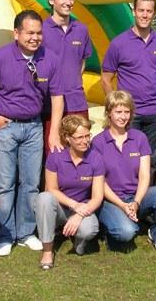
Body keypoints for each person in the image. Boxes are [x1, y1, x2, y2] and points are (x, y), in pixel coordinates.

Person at [0, 10, 64, 256]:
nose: (35, 38)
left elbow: (57, 97)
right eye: (29, 33)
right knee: (5, 183)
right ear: (16, 33)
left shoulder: (50, 58)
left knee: (31, 183)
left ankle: (25, 232)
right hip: (5, 127)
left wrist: (54, 132)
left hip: (34, 127)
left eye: (39, 33)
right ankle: (5, 234)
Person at [91, 91, 156, 253]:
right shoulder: (98, 142)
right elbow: (100, 183)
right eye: (118, 112)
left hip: (136, 196)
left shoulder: (139, 138)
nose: (123, 116)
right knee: (127, 232)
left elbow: (144, 175)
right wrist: (122, 205)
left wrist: (136, 202)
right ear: (108, 113)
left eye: (127, 112)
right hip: (110, 200)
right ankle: (109, 229)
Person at [101, 0, 156, 182]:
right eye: (141, 10)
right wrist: (115, 107)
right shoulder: (119, 43)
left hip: (155, 112)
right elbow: (106, 79)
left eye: (149, 11)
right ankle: (126, 196)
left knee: (152, 160)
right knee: (128, 159)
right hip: (130, 114)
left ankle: (147, 197)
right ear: (134, 11)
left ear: (154, 14)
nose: (145, 15)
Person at [34, 115, 104, 269]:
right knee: (44, 198)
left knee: (89, 230)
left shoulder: (96, 158)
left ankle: (78, 239)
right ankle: (47, 250)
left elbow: (98, 197)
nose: (85, 141)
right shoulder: (55, 156)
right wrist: (74, 205)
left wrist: (79, 214)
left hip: (83, 208)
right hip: (60, 207)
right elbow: (51, 189)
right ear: (67, 138)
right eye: (79, 137)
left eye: (87, 136)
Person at [41, 0, 92, 156]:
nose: (68, 2)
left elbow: (82, 62)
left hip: (77, 102)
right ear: (51, 0)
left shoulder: (81, 29)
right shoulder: (41, 30)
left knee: (81, 152)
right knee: (53, 153)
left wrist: (72, 83)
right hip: (49, 105)